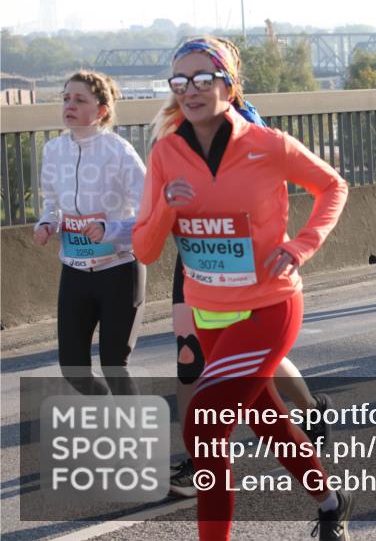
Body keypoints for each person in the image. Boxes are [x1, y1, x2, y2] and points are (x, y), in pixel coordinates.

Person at [134, 37, 352, 541]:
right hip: (209, 313)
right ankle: (331, 502)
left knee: (203, 425)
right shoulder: (166, 153)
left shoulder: (268, 145)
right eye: (180, 81)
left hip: (269, 307)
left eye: (203, 79)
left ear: (229, 86)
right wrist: (166, 205)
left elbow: (332, 186)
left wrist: (301, 245)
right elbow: (144, 249)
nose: (190, 90)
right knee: (267, 419)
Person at [34, 71, 146, 396]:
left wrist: (111, 230)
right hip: (75, 271)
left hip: (119, 270)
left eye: (80, 100)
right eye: (66, 98)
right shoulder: (53, 150)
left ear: (101, 110)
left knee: (114, 364)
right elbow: (52, 204)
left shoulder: (119, 151)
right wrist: (46, 224)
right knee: (73, 368)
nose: (69, 105)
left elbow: (149, 213)